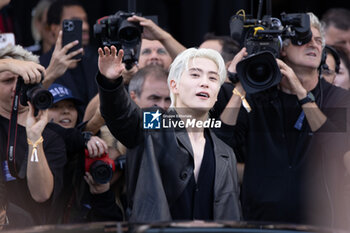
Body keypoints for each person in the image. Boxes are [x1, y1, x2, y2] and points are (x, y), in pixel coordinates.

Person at [217, 12, 350, 228]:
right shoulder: (256, 97)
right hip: (260, 223)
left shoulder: (340, 98)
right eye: (302, 39)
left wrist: (302, 94)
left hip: (320, 223)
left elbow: (337, 147)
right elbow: (223, 142)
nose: (313, 45)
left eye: (318, 41)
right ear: (282, 49)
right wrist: (238, 85)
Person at [97, 45, 241, 222]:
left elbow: (232, 214)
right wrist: (111, 83)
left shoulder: (225, 152)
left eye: (213, 78)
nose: (204, 82)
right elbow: (122, 116)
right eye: (195, 74)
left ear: (217, 93)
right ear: (174, 85)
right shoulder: (154, 122)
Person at [0, 45, 66, 227]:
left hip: (33, 227)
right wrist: (8, 64)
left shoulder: (51, 135)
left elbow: (41, 194)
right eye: (7, 80)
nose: (16, 88)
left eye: (23, 81)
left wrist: (34, 139)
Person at [40, 0, 98, 121]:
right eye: (75, 22)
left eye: (85, 20)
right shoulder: (39, 66)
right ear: (54, 29)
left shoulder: (96, 62)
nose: (86, 27)